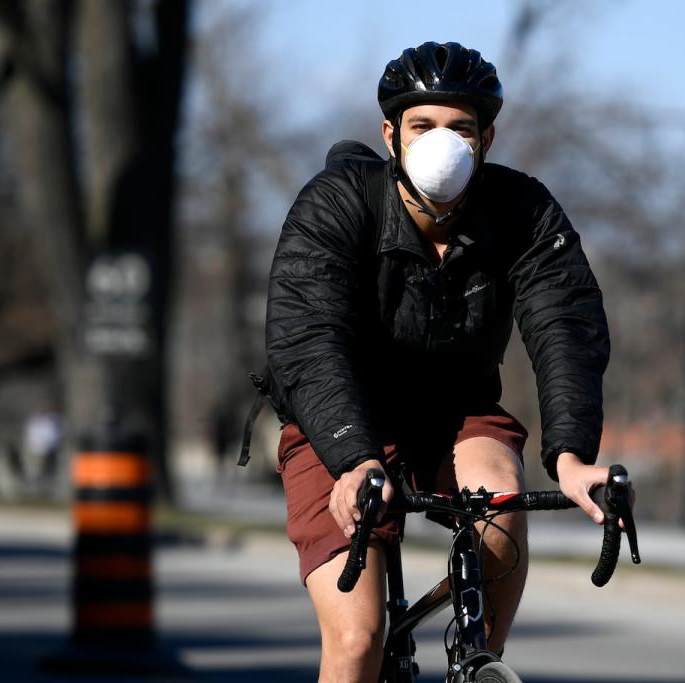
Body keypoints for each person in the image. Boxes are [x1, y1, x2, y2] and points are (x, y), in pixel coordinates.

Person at [264, 42, 611, 680]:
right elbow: (306, 338)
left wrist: (571, 455)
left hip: (457, 413)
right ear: (390, 133)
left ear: (488, 137)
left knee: (500, 515)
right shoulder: (338, 203)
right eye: (423, 126)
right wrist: (354, 457)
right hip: (341, 425)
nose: (442, 143)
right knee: (358, 639)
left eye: (461, 128)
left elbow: (566, 325)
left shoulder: (524, 211)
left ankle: (481, 665)